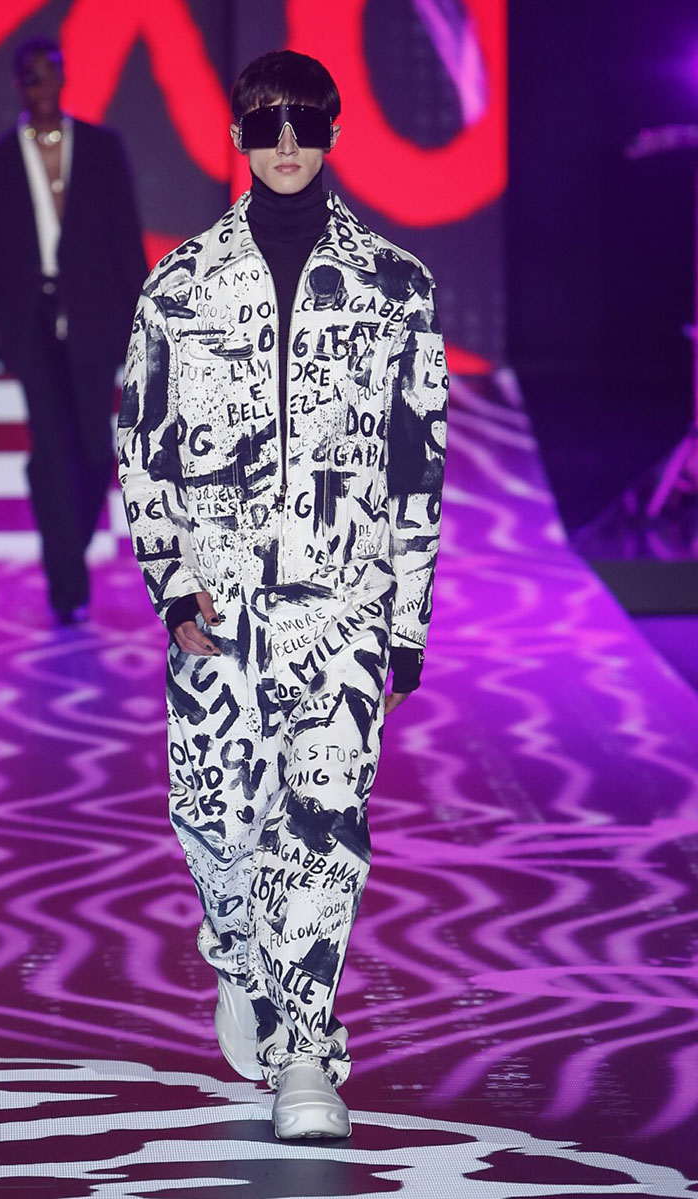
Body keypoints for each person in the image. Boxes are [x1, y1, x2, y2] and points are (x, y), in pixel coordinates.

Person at [118, 50, 447, 1138]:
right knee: (215, 824)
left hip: (343, 608)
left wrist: (405, 619)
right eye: (267, 123)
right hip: (217, 616)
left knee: (320, 820)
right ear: (238, 138)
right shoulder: (179, 286)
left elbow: (418, 463)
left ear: (336, 130)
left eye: (306, 120)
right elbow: (142, 444)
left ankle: (305, 1052)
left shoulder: (396, 287)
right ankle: (234, 951)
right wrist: (172, 588)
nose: (288, 142)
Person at [0, 36, 148, 623]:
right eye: (31, 74)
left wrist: (146, 327)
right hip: (30, 323)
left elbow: (126, 242)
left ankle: (67, 549)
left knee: (94, 450)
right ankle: (67, 582)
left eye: (50, 72)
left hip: (93, 317)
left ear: (64, 78)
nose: (41, 83)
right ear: (18, 82)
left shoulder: (100, 148)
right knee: (48, 450)